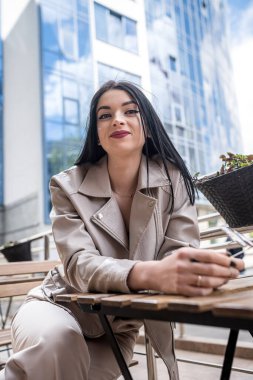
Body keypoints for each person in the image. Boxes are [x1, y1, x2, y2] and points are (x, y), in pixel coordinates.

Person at [2, 81, 244, 380]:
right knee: (57, 344)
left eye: (130, 111)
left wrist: (196, 268)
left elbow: (181, 252)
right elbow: (79, 263)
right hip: (58, 305)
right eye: (105, 115)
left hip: (116, 330)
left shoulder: (173, 180)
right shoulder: (66, 185)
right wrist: (148, 273)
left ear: (149, 127)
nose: (117, 119)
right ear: (98, 135)